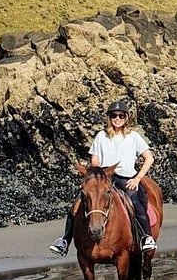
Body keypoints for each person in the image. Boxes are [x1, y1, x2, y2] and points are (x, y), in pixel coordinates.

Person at [49, 100, 156, 256]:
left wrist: (138, 178)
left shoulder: (133, 137)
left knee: (134, 201)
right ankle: (65, 240)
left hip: (127, 178)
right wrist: (96, 176)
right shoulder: (101, 136)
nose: (117, 119)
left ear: (126, 118)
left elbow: (149, 158)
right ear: (109, 117)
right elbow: (95, 161)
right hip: (105, 178)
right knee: (78, 204)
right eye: (114, 115)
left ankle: (146, 237)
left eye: (121, 116)